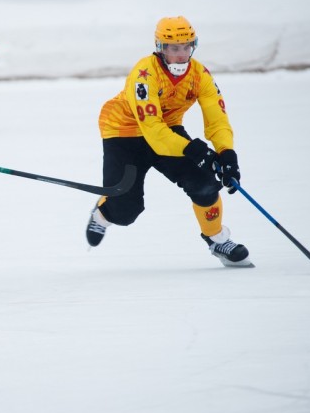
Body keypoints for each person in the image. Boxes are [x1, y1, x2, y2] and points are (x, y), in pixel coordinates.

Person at [85, 16, 252, 267]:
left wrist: (226, 154)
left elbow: (217, 120)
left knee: (205, 185)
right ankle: (103, 211)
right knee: (126, 211)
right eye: (174, 48)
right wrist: (195, 151)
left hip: (168, 130)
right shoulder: (144, 73)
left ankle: (217, 239)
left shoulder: (200, 75)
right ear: (160, 48)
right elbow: (151, 128)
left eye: (187, 47)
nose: (181, 55)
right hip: (123, 131)